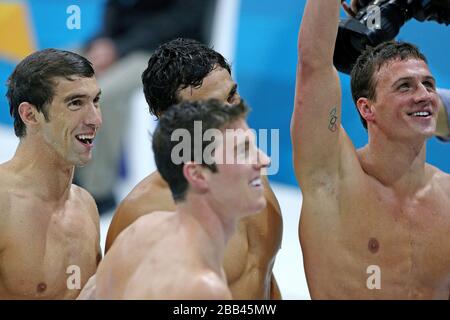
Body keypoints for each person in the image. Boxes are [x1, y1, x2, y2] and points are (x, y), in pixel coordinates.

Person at [292, 0, 450, 299]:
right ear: (366, 108)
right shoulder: (332, 182)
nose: (424, 95)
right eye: (405, 86)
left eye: (429, 84)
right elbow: (313, 63)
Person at [105, 38, 283, 300]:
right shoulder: (142, 214)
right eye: (214, 107)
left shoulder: (253, 179)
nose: (235, 112)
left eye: (232, 95)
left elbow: (263, 277)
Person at [94, 99, 270, 299]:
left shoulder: (139, 232)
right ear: (197, 175)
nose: (265, 160)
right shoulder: (202, 288)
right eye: (243, 151)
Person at [75, 0, 215, 213]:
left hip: (169, 50)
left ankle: (98, 190)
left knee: (100, 95)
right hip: (121, 43)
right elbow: (115, 8)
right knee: (54, 74)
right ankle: (65, 170)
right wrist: (101, 41)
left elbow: (179, 20)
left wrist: (118, 49)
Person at [0, 49, 102, 299]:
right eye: (75, 103)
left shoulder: (85, 205)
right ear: (30, 115)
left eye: (95, 101)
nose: (95, 119)